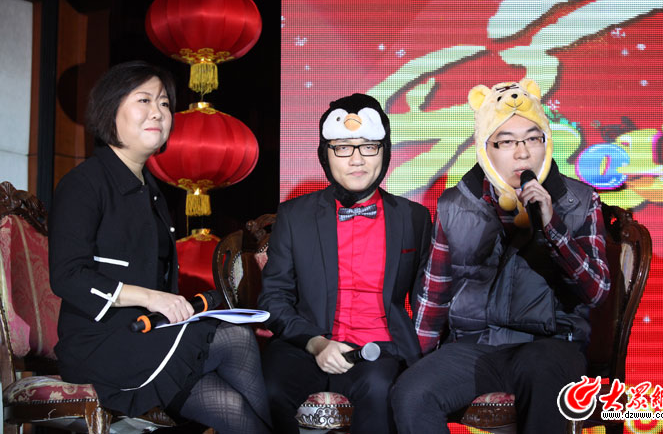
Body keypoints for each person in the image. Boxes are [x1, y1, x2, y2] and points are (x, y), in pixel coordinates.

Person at [49, 61, 271, 433]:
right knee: (235, 338)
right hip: (102, 346)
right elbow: (67, 276)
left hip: (152, 338)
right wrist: (153, 298)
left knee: (233, 408)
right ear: (110, 110)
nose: (158, 112)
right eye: (144, 100)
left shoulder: (151, 192)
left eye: (165, 103)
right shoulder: (84, 184)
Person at [391, 78, 610, 434]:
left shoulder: (579, 201)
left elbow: (597, 292)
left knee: (547, 381)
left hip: (551, 345)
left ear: (547, 142)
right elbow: (434, 298)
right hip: (475, 346)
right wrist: (415, 365)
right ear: (484, 148)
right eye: (506, 142)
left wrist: (551, 225)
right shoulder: (455, 204)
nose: (522, 153)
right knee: (411, 393)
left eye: (532, 139)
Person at [257, 93, 432, 434]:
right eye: (343, 148)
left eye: (368, 146)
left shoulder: (414, 218)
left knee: (381, 391)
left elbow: (430, 302)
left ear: (385, 151)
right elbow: (274, 298)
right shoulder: (294, 215)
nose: (357, 159)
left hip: (380, 349)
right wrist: (316, 343)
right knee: (269, 390)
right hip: (307, 343)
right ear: (325, 154)